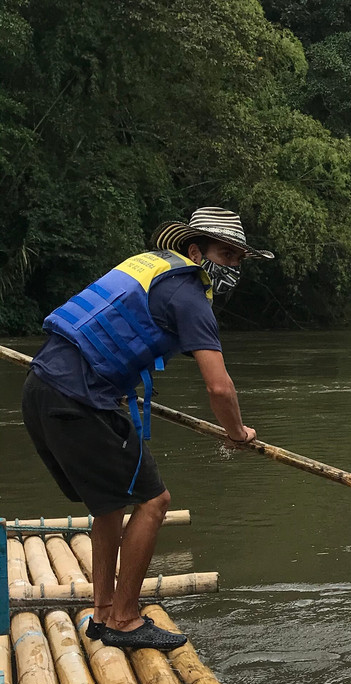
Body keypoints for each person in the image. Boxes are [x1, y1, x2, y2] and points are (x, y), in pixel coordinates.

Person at [21, 207, 272, 650]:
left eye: (239, 259)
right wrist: (237, 433)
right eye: (226, 255)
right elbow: (219, 387)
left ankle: (103, 614)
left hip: (42, 387)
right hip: (79, 401)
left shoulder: (150, 268)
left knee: (110, 505)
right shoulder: (191, 294)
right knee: (155, 502)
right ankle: (125, 620)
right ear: (195, 251)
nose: (233, 266)